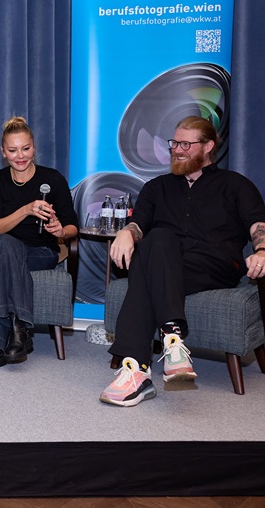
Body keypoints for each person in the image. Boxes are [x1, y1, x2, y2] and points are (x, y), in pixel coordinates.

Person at [101, 116, 265, 407]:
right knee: (158, 239)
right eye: (174, 143)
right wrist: (127, 232)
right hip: (165, 260)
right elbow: (140, 224)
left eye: (186, 144)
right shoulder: (157, 187)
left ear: (208, 146)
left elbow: (257, 225)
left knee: (146, 265)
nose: (177, 150)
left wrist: (262, 249)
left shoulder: (235, 185)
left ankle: (135, 369)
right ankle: (171, 343)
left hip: (214, 265)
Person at [0, 116, 78, 372]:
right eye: (13, 150)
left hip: (40, 251)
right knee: (3, 244)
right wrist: (26, 209)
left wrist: (60, 229)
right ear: (3, 152)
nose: (20, 156)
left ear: (34, 147)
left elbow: (72, 226)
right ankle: (18, 329)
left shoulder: (53, 179)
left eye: (25, 149)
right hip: (1, 243)